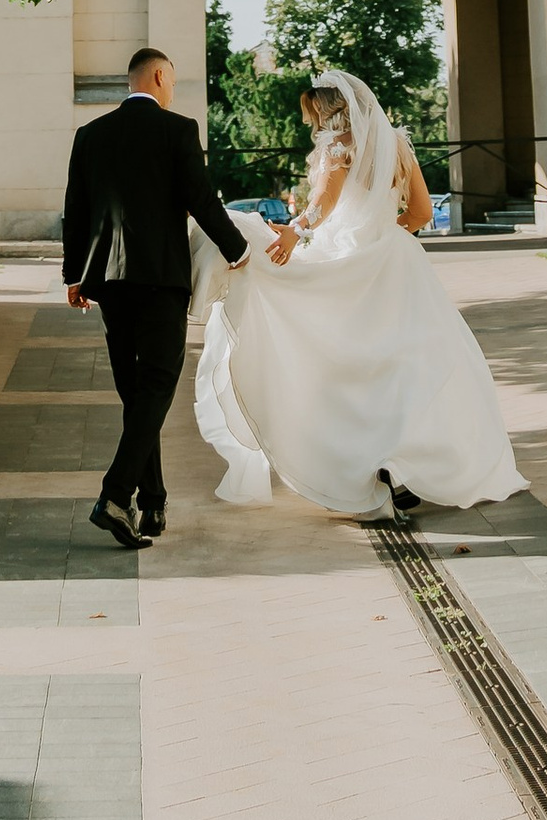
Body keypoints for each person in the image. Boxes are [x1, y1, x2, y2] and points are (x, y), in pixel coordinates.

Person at [190, 65, 525, 518]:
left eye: (316, 114)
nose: (315, 124)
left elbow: (322, 206)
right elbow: (422, 213)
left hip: (347, 257)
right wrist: (386, 235)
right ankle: (400, 464)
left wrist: (295, 232)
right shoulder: (397, 146)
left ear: (332, 112)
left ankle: (369, 464)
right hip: (397, 262)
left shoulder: (336, 147)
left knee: (342, 364)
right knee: (400, 364)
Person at [61, 42, 252, 549]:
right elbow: (201, 199)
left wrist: (74, 276)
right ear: (162, 78)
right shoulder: (178, 130)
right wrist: (237, 249)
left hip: (109, 284)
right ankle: (115, 495)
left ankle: (154, 502)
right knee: (158, 385)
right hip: (161, 279)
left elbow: (75, 211)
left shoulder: (91, 135)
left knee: (136, 393)